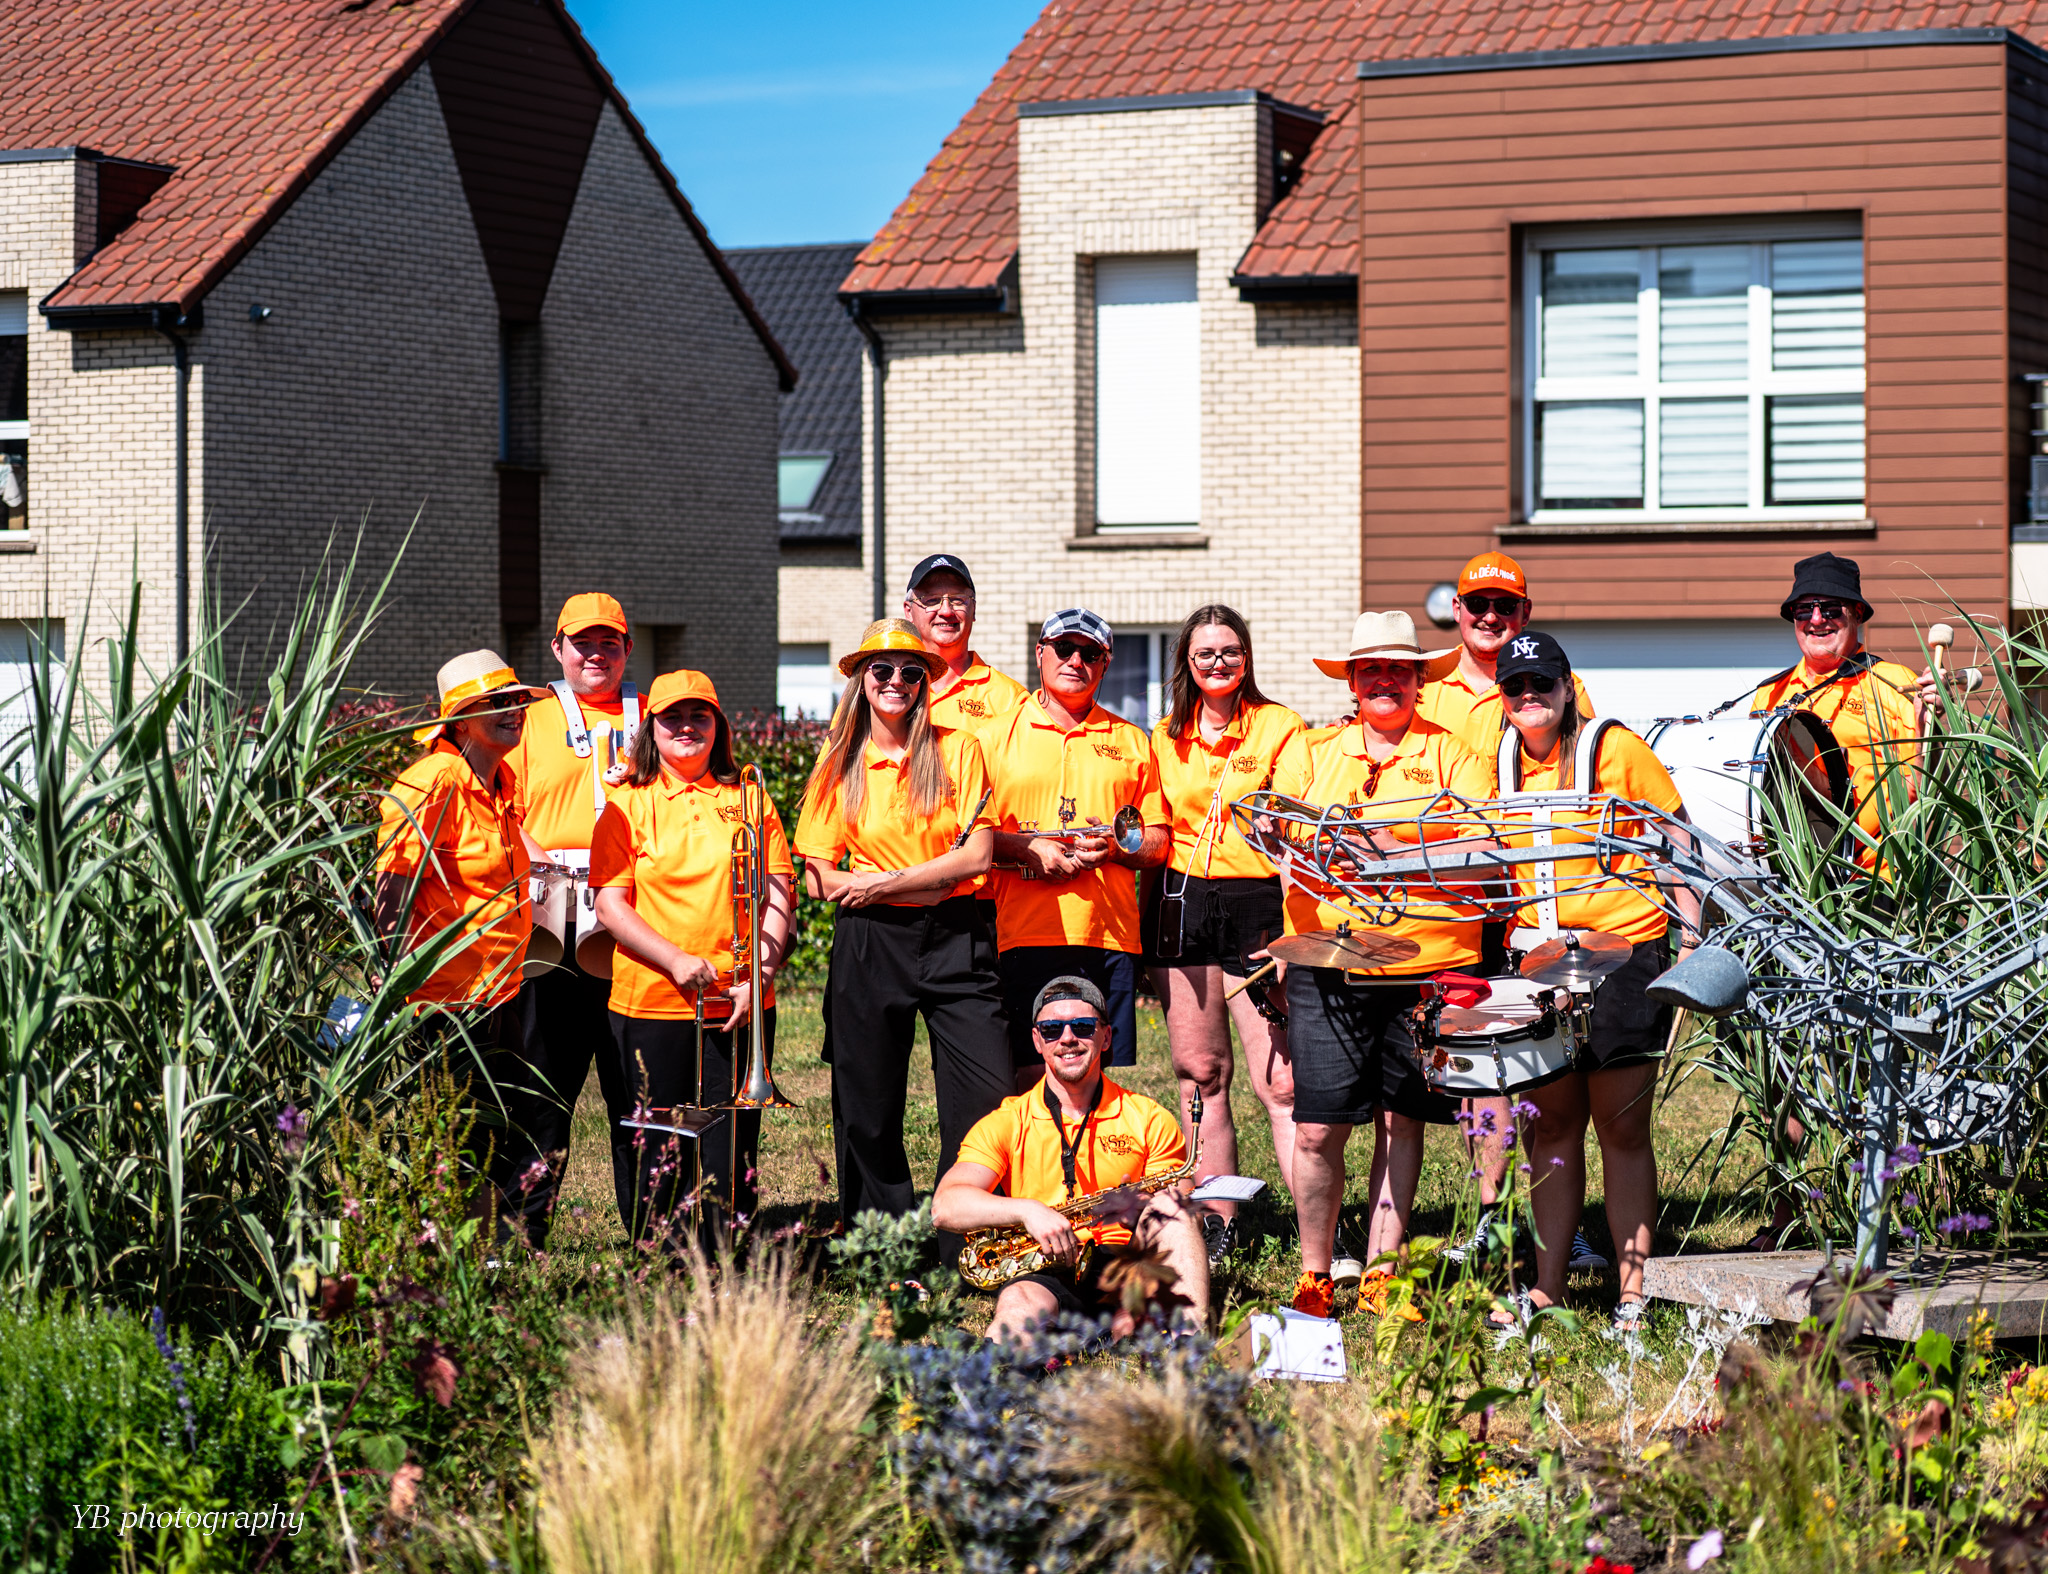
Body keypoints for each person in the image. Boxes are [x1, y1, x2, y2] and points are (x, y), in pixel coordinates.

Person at [1270, 612, 1493, 1314]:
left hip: (1428, 961)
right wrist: (1413, 848)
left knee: (1403, 1118)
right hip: (1328, 959)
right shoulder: (1310, 750)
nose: (1385, 679)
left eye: (1399, 668)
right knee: (1317, 1126)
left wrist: (1373, 852)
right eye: (1371, 669)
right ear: (1352, 679)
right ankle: (1314, 1273)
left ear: (1420, 678)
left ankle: (1382, 1273)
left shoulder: (1458, 755)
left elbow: (1482, 861)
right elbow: (1286, 843)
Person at [1492, 631, 1703, 1328]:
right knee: (1549, 1128)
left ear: (1566, 684)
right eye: (1516, 686)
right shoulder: (1496, 761)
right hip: (1536, 960)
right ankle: (1546, 1289)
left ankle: (1633, 1293)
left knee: (1621, 1128)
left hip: (1621, 954)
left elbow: (1676, 836)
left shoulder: (1614, 747)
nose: (1530, 697)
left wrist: (1692, 937)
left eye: (1542, 683)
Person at [796, 618, 1015, 1228]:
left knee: (986, 1096)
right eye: (881, 670)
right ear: (860, 680)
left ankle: (967, 1237)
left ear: (926, 681)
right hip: (871, 942)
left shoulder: (959, 749)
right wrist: (921, 875)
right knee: (867, 1104)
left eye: (910, 672)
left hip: (957, 934)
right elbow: (817, 876)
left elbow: (975, 858)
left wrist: (879, 882)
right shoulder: (838, 762)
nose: (896, 681)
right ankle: (882, 1244)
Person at [1743, 551, 1932, 1248]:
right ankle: (1790, 1209)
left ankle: (1877, 1211)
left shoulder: (1897, 686)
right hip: (1795, 897)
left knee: (1871, 1056)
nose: (1817, 620)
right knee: (1785, 1057)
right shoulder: (1771, 696)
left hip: (1874, 895)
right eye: (1804, 610)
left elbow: (1923, 793)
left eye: (1831, 609)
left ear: (1857, 616)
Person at [1416, 552, 1598, 1266]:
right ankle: (1491, 1215)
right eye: (1477, 605)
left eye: (1505, 606)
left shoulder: (1558, 682)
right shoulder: (1428, 694)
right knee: (1481, 1072)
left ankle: (1563, 1222)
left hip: (1539, 908)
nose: (1490, 617)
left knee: (1554, 1072)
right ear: (1456, 612)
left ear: (1523, 614)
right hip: (1468, 911)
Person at [589, 670, 796, 1251]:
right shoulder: (627, 803)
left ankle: (725, 1249)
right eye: (671, 717)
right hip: (654, 998)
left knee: (731, 1141)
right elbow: (609, 904)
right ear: (651, 728)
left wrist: (762, 973)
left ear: (719, 726)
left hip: (739, 998)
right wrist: (676, 960)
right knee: (661, 1140)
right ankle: (667, 1254)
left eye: (699, 716)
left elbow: (779, 894)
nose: (686, 727)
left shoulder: (751, 798)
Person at [1146, 605, 1303, 1265]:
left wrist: (1295, 935)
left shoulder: (1278, 726)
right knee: (1200, 1071)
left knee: (1282, 1082)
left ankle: (1315, 1227)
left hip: (1257, 900)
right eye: (1205, 652)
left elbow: (1297, 836)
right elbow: (1152, 831)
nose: (1218, 663)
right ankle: (1217, 1221)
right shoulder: (1164, 736)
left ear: (1247, 657)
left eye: (1230, 651)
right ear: (1187, 660)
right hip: (1182, 900)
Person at [374, 650, 549, 1237]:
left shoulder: (500, 777)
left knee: (498, 1126)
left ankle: (489, 1250)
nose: (513, 712)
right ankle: (445, 1252)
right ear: (459, 719)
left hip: (500, 989)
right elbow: (392, 883)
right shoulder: (432, 781)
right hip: (446, 999)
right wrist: (392, 965)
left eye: (515, 701)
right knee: (457, 1131)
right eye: (494, 704)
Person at [934, 976, 1209, 1345]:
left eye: (1082, 1027)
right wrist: (1028, 1211)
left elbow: (1176, 1206)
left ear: (1106, 1037)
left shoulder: (1148, 1117)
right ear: (1037, 1041)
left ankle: (1185, 1347)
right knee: (1017, 1303)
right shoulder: (1008, 1120)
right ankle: (995, 1376)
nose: (1067, 1039)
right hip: (1048, 1267)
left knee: (1174, 1207)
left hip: (1130, 1265)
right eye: (1051, 1029)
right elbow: (945, 1205)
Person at [501, 592, 643, 1243]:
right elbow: (501, 812)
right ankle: (522, 1234)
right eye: (582, 642)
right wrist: (548, 876)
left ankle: (656, 1236)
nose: (596, 653)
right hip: (551, 923)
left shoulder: (655, 718)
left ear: (627, 650)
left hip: (634, 930)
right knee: (542, 1088)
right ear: (557, 647)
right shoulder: (529, 717)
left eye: (608, 642)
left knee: (636, 1092)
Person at [979, 610, 1171, 1085]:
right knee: (1026, 1075)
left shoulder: (1131, 741)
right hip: (1017, 931)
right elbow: (964, 836)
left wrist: (1115, 847)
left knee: (1092, 1078)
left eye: (1090, 653)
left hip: (1106, 934)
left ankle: (1086, 1163)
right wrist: (1027, 849)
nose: (1075, 660)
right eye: (1064, 648)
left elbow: (1158, 841)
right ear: (1039, 653)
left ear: (1105, 664)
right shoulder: (991, 736)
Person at [901, 554, 1029, 733]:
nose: (946, 611)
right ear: (909, 611)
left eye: (958, 600)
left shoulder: (1010, 699)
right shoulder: (887, 687)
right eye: (931, 600)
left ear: (973, 609)